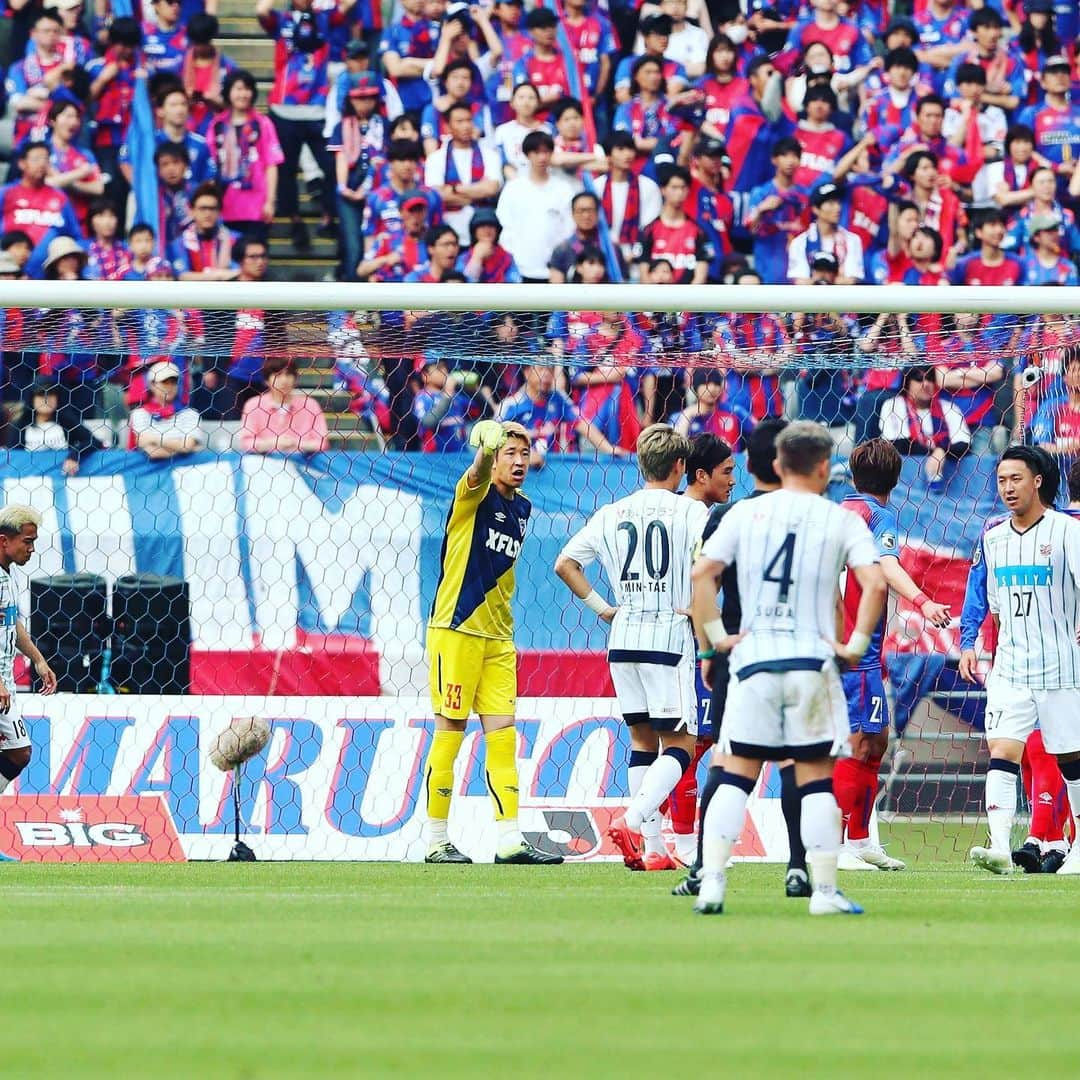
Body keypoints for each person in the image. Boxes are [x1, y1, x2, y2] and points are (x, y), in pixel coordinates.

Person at [690, 420, 887, 916]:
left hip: (753, 660)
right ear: (825, 468)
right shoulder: (840, 519)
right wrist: (854, 645)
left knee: (736, 772)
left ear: (776, 464)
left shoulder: (743, 515)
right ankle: (822, 892)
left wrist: (715, 644)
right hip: (811, 664)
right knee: (816, 777)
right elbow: (876, 585)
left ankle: (711, 882)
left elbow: (701, 576)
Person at [555, 424, 708, 871]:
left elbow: (565, 564)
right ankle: (631, 819)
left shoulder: (611, 512)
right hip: (669, 633)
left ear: (642, 464)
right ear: (680, 467)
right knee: (682, 743)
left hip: (623, 635)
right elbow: (709, 570)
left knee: (642, 739)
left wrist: (604, 608)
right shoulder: (692, 514)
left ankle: (655, 849)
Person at [422, 419, 562, 865]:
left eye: (524, 454)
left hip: (499, 637)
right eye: (510, 454)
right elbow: (478, 474)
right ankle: (435, 840)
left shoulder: (523, 508)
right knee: (451, 730)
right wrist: (483, 449)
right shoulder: (473, 494)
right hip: (457, 629)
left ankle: (509, 840)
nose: (519, 462)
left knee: (502, 736)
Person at [835, 439, 951, 869]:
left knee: (872, 741)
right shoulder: (876, 514)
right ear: (897, 478)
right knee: (863, 743)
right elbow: (886, 565)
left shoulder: (840, 510)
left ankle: (861, 838)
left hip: (842, 645)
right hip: (856, 649)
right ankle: (840, 843)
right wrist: (923, 601)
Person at [965, 447, 1080, 876]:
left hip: (1061, 666)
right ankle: (998, 845)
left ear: (1037, 481)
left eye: (1016, 479)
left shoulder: (1068, 532)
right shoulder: (992, 538)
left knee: (1070, 757)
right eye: (1001, 480)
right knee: (1003, 750)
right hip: (1011, 666)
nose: (1007, 488)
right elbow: (995, 606)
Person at [0, 506, 58, 796]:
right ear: (3, 541)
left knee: (18, 753)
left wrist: (37, 659)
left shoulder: (6, 575)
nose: (32, 549)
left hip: (5, 684)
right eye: (27, 541)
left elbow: (12, 622)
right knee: (19, 752)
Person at [208, 70, 283, 243]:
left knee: (255, 254)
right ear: (228, 92)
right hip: (225, 204)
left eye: (247, 89)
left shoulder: (263, 123)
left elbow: (272, 164)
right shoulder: (217, 125)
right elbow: (210, 165)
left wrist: (270, 201)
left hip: (256, 205)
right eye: (238, 89)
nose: (243, 94)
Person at [495, 130, 574, 283]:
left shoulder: (564, 189)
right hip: (519, 268)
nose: (542, 157)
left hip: (556, 270)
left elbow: (569, 227)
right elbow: (504, 225)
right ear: (526, 154)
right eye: (536, 152)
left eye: (546, 152)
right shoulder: (513, 188)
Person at [879, 365, 971, 484]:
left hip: (948, 480)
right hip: (902, 476)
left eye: (930, 379)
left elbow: (964, 444)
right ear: (906, 382)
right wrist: (935, 453)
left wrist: (941, 451)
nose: (926, 384)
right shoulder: (893, 405)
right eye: (918, 379)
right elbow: (897, 443)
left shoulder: (949, 407)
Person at [238, 356, 329, 455]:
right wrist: (274, 442)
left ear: (295, 379)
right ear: (266, 380)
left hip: (303, 464)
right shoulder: (254, 405)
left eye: (288, 374)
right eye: (278, 375)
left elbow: (322, 443)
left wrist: (295, 443)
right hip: (265, 463)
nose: (284, 380)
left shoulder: (310, 405)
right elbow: (246, 443)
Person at [129, 360, 206, 459]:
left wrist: (154, 439)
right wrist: (180, 448)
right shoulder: (140, 414)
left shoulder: (190, 414)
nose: (170, 387)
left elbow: (187, 446)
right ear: (152, 385)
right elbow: (152, 452)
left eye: (173, 382)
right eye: (164, 382)